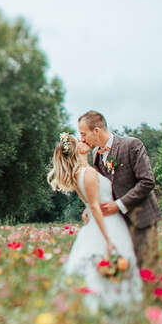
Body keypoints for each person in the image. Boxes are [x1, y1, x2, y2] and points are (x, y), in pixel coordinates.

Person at [47, 132, 142, 308]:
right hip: (107, 224)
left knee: (104, 268)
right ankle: (111, 305)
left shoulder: (81, 173)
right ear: (77, 150)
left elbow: (92, 200)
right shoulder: (87, 173)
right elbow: (95, 207)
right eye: (79, 140)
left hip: (104, 222)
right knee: (108, 264)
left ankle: (106, 304)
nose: (83, 140)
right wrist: (107, 239)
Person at [77, 110, 162, 271]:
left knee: (148, 268)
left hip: (141, 219)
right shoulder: (95, 154)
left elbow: (147, 181)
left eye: (83, 134)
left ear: (96, 131)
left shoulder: (131, 145)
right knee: (125, 270)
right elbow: (100, 187)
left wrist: (119, 205)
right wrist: (90, 207)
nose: (82, 139)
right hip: (117, 225)